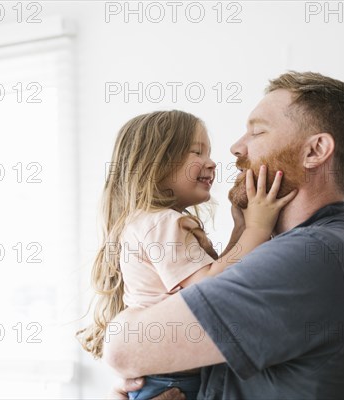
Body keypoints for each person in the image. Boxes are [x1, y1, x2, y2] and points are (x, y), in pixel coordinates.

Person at [104, 71, 344, 399]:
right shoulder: (307, 249)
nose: (236, 149)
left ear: (315, 151)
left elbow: (121, 352)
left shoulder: (310, 257)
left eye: (256, 132)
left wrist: (128, 326)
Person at [75, 110, 297, 399]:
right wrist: (256, 229)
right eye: (197, 152)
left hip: (163, 376)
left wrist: (240, 232)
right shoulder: (162, 223)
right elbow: (208, 289)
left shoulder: (150, 221)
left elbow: (212, 276)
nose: (212, 162)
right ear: (156, 163)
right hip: (172, 380)